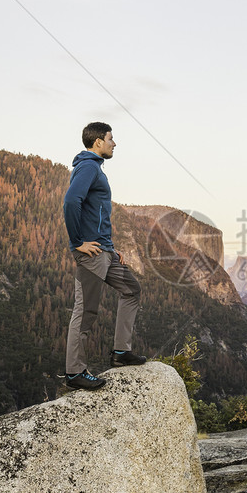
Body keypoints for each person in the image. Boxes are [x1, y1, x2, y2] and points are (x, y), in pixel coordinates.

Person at [63, 121, 146, 390]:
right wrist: (77, 243)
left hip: (105, 251)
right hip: (92, 254)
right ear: (98, 141)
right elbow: (71, 202)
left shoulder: (95, 168)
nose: (114, 143)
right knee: (85, 310)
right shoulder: (88, 166)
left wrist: (110, 247)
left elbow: (95, 214)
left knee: (132, 290)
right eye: (111, 138)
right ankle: (75, 372)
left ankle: (121, 352)